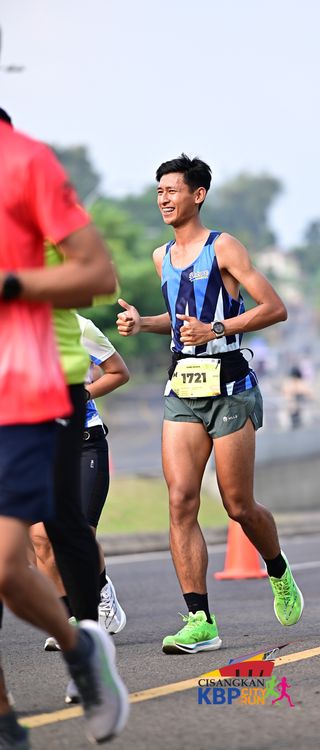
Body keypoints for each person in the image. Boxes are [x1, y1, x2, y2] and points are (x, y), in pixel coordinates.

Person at [116, 153, 304, 655]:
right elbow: (180, 320)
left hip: (230, 386)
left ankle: (278, 569)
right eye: (159, 191)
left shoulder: (224, 247)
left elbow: (274, 308)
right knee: (181, 500)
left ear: (197, 195)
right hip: (183, 386)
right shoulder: (161, 256)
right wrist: (144, 322)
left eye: (172, 190)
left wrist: (216, 328)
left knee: (238, 504)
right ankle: (200, 619)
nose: (163, 199)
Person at [0, 108, 128, 746]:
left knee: (33, 547)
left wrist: (11, 284)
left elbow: (98, 277)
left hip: (36, 386)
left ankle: (82, 646)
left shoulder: (27, 165)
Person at [32, 313, 128, 662]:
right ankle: (68, 618)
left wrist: (80, 394)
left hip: (84, 441)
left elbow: (118, 372)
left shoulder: (79, 326)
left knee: (79, 534)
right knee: (41, 538)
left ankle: (100, 593)